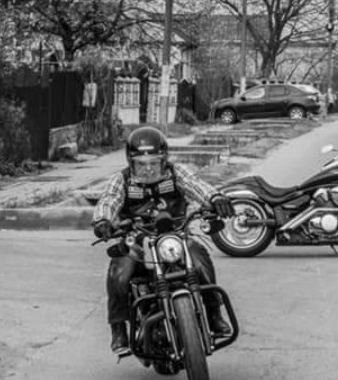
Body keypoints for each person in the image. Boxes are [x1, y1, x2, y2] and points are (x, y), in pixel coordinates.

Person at [92, 126, 236, 357]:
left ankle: (214, 315)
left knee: (200, 260)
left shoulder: (176, 173)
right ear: (131, 162)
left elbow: (196, 185)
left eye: (154, 163)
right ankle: (118, 329)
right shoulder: (122, 180)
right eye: (141, 164)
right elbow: (109, 200)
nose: (148, 169)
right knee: (119, 274)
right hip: (137, 242)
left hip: (176, 237)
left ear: (164, 159)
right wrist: (103, 221)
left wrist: (215, 197)